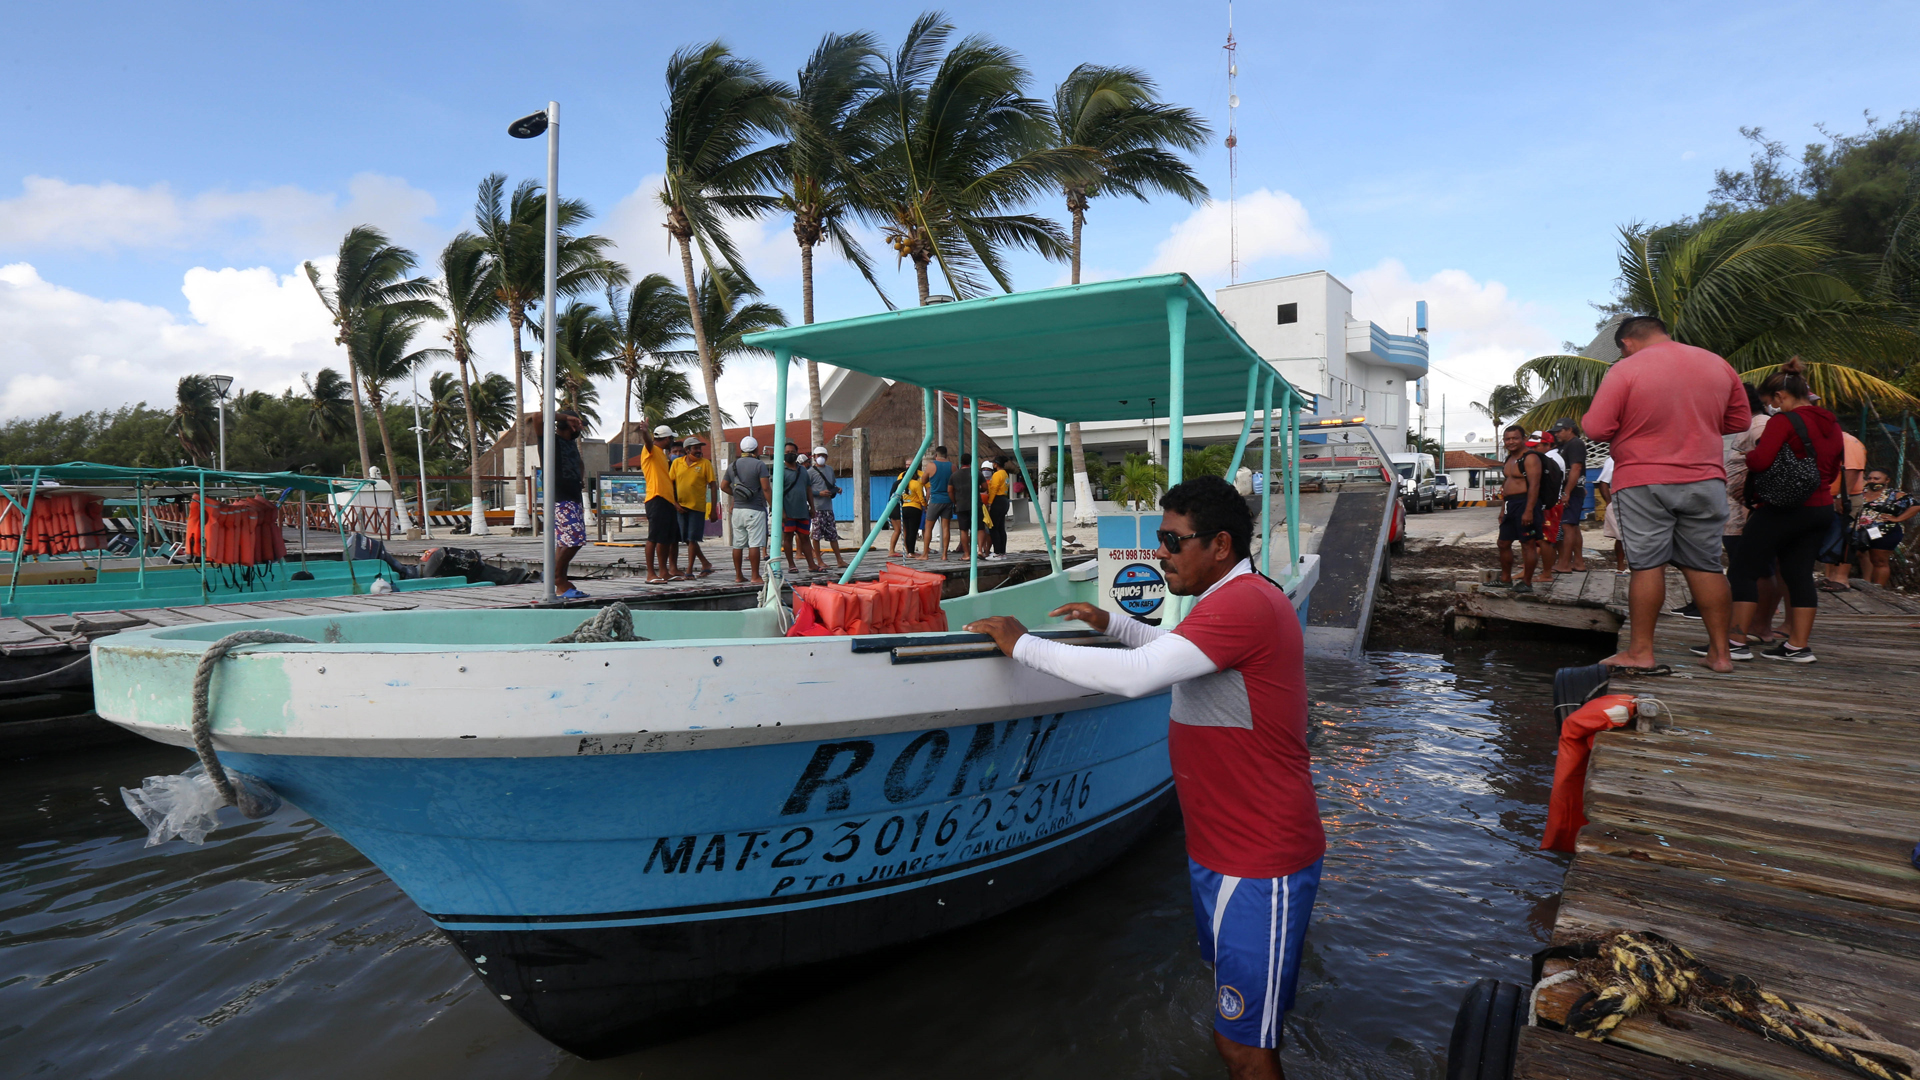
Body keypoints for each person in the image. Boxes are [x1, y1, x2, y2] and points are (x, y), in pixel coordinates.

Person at [963, 477, 1323, 1080]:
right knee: (1239, 1029)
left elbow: (1138, 677)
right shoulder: (1233, 600)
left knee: (1244, 1049)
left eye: (1171, 540)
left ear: (1220, 545)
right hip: (1222, 852)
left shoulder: (1246, 605)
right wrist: (1114, 622)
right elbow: (1180, 651)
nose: (1160, 552)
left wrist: (1024, 645)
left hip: (1260, 860)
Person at [1581, 315, 1750, 673]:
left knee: (1647, 564)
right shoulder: (1717, 364)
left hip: (1644, 480)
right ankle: (1721, 654)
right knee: (1706, 565)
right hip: (1705, 479)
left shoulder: (1626, 370)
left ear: (1627, 343)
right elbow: (1739, 422)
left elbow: (1596, 427)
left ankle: (1641, 652)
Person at [1728, 358, 1843, 662]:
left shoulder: (1784, 421)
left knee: (1743, 568)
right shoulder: (1831, 422)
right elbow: (1832, 470)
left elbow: (1760, 462)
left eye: (1771, 403)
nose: (1773, 409)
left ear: (1780, 397)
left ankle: (1736, 642)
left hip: (1781, 508)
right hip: (1820, 507)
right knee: (1799, 573)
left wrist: (1751, 456)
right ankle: (1797, 646)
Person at [1493, 426, 1544, 593]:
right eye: (1507, 439)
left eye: (1515, 438)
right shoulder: (1509, 459)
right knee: (1503, 542)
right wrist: (1502, 509)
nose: (1511, 442)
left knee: (1528, 544)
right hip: (1510, 504)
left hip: (1525, 503)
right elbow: (1506, 486)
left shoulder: (1530, 458)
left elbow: (1535, 485)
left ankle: (1527, 583)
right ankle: (1505, 579)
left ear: (1523, 438)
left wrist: (1529, 510)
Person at [1819, 426, 1869, 590]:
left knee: (1846, 536)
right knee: (1833, 536)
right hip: (1829, 496)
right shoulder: (1830, 440)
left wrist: (1842, 497)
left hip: (1846, 497)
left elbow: (1852, 470)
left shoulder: (1848, 442)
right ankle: (1830, 576)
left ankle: (1841, 578)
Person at [548, 410, 590, 599]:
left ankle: (560, 583)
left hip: (573, 496)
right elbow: (536, 418)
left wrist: (579, 478)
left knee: (565, 541)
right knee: (575, 538)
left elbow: (580, 463)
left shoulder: (570, 444)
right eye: (577, 425)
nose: (579, 429)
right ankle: (556, 578)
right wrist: (565, 418)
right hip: (560, 497)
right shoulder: (551, 440)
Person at [1853, 468, 1915, 587]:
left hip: (1883, 531)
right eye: (1870, 478)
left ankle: (1877, 589)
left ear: (1887, 480)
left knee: (1879, 560)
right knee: (1857, 553)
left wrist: (1898, 519)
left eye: (1877, 478)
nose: (1873, 481)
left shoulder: (1894, 494)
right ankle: (1865, 582)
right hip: (1860, 530)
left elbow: (1915, 506)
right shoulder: (1861, 492)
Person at [724, 435, 772, 584]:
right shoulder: (759, 465)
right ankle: (755, 576)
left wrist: (738, 494)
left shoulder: (733, 465)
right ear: (756, 449)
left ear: (741, 449)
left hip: (737, 510)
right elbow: (765, 488)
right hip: (755, 509)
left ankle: (738, 576)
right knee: (755, 544)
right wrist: (774, 506)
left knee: (738, 544)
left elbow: (723, 486)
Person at [637, 423, 680, 584]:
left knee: (665, 538)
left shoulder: (662, 454)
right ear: (667, 438)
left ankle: (664, 572)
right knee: (654, 537)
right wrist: (645, 432)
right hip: (656, 498)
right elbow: (649, 442)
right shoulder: (651, 450)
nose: (672, 441)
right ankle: (650, 574)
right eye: (671, 438)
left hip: (666, 500)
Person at [671, 437, 718, 578]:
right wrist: (675, 503)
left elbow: (713, 486)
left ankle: (689, 570)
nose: (699, 451)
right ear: (687, 450)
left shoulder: (705, 464)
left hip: (697, 508)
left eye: (700, 448)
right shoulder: (677, 463)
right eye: (695, 448)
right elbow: (670, 484)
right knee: (686, 538)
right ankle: (705, 563)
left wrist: (713, 509)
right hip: (680, 506)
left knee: (692, 539)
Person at [1549, 418, 1589, 573]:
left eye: (1559, 431)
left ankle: (1564, 563)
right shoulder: (1565, 446)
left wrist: (1567, 492)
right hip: (1574, 490)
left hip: (1571, 491)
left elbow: (1577, 467)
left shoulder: (1575, 444)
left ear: (1569, 430)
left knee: (1567, 527)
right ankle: (1578, 562)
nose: (1557, 434)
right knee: (1573, 526)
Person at [781, 441, 823, 574]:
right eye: (787, 452)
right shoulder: (780, 471)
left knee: (805, 537)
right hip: (788, 512)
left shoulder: (803, 471)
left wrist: (812, 507)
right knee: (787, 538)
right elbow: (776, 493)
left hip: (802, 510)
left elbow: (808, 489)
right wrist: (781, 511)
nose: (790, 454)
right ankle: (791, 564)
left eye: (793, 452)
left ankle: (812, 564)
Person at [806, 447, 848, 569]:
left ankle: (839, 560)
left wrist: (837, 489)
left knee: (833, 535)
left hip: (828, 507)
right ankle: (819, 561)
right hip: (817, 507)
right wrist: (819, 493)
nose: (821, 457)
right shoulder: (809, 472)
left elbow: (831, 484)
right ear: (814, 457)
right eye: (819, 455)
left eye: (824, 455)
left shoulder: (829, 470)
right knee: (816, 535)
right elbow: (806, 490)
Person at [921, 446, 956, 559]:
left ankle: (925, 554)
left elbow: (923, 480)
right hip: (948, 500)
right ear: (947, 455)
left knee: (928, 526)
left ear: (936, 455)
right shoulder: (953, 466)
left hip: (935, 500)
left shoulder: (931, 465)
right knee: (946, 527)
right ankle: (944, 554)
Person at [1595, 456, 1625, 573]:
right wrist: (1609, 503)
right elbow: (1603, 482)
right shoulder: (1613, 459)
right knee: (1621, 536)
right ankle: (1621, 566)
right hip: (1619, 501)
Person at [893, 468, 928, 558]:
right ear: (914, 475)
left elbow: (899, 496)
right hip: (915, 508)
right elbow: (921, 498)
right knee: (913, 531)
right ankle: (911, 552)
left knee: (907, 531)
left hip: (905, 507)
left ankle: (909, 551)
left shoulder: (901, 484)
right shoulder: (916, 484)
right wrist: (925, 506)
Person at [985, 455, 1013, 558]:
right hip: (1004, 500)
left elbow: (993, 489)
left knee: (994, 528)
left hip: (997, 500)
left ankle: (997, 552)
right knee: (1001, 527)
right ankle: (1002, 552)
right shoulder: (1005, 474)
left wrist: (990, 503)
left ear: (996, 464)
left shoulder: (997, 475)